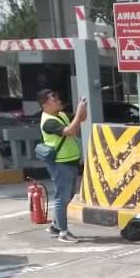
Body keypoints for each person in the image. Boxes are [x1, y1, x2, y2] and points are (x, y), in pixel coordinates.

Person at [38, 89, 87, 243]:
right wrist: (79, 112)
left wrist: (82, 108)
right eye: (54, 100)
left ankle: (55, 225)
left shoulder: (61, 115)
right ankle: (63, 233)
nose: (58, 101)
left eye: (58, 98)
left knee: (69, 196)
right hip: (60, 163)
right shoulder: (48, 121)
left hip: (70, 161)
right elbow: (71, 131)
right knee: (62, 197)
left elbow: (80, 120)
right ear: (45, 105)